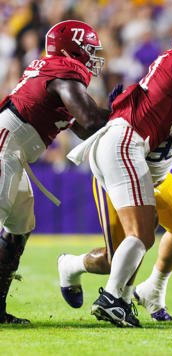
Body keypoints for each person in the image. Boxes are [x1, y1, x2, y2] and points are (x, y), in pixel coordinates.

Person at [67, 19, 172, 327]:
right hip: (126, 144)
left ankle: (124, 300)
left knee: (143, 234)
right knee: (139, 235)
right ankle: (112, 298)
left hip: (130, 147)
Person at [0, 20, 109, 324]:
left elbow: (85, 130)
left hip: (15, 152)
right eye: (88, 49)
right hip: (5, 148)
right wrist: (122, 110)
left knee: (18, 229)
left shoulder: (54, 73)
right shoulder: (64, 69)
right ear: (72, 48)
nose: (92, 56)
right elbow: (91, 121)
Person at [58, 133, 172, 322]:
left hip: (158, 176)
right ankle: (71, 265)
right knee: (117, 260)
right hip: (121, 174)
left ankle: (153, 289)